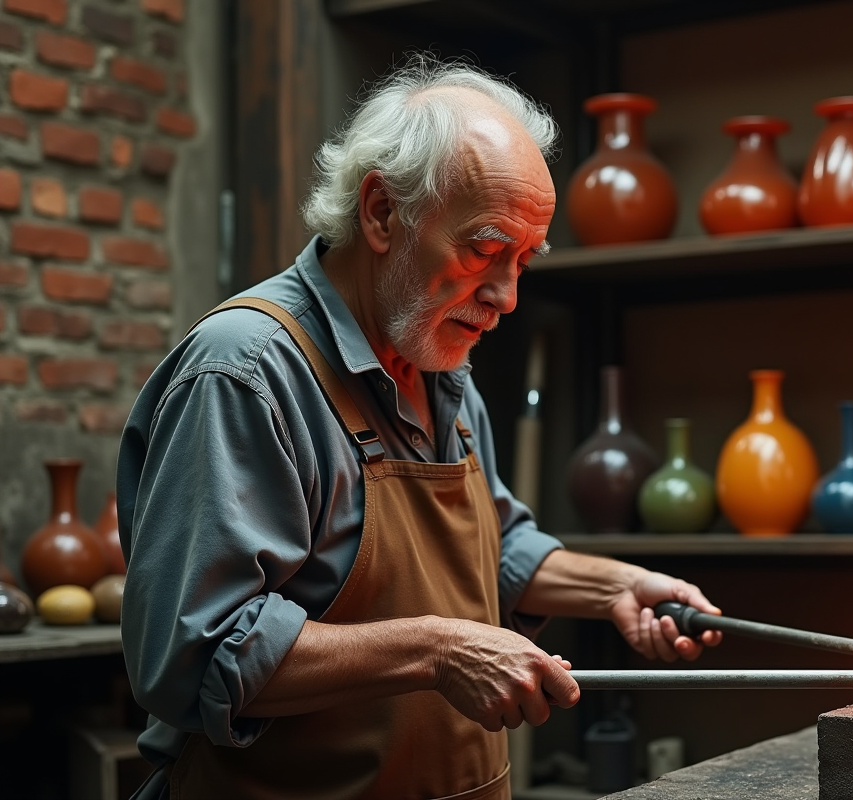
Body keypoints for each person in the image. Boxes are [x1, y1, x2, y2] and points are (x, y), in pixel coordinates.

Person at [117, 58, 722, 800]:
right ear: (381, 213)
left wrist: (616, 587)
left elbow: (491, 551)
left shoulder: (438, 361)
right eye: (486, 248)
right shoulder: (246, 373)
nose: (505, 296)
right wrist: (439, 649)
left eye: (526, 260)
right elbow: (194, 654)